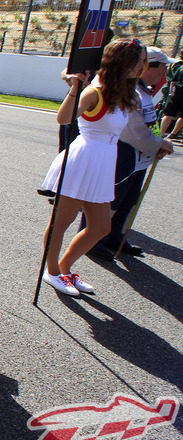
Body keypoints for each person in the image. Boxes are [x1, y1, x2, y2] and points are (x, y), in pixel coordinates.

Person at [40, 39, 148, 297]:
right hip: (84, 159)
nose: (142, 66)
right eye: (138, 61)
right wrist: (75, 88)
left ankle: (65, 267)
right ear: (122, 62)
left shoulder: (127, 94)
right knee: (61, 222)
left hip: (103, 162)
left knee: (101, 227)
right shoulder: (94, 91)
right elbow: (64, 119)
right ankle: (52, 271)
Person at [85, 47, 174, 259]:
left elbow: (148, 125)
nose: (165, 71)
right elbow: (132, 130)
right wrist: (158, 144)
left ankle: (115, 237)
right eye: (162, 65)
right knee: (109, 200)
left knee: (127, 201)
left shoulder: (143, 90)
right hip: (124, 152)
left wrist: (156, 145)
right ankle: (91, 238)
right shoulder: (127, 91)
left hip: (141, 155)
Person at [157, 57, 183, 142]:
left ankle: (167, 133)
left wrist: (171, 93)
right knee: (169, 114)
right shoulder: (180, 67)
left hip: (175, 93)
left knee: (168, 114)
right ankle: (168, 133)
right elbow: (173, 81)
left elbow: (172, 81)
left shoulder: (179, 67)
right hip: (177, 94)